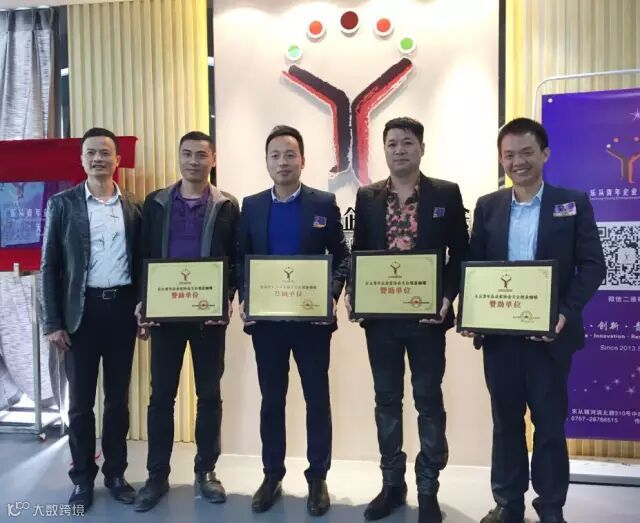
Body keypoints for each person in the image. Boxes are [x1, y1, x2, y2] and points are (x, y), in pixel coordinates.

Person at [462, 118, 605, 523]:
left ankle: (551, 507)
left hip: (550, 338)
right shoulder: (488, 206)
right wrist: (471, 310)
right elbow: (475, 264)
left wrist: (564, 312)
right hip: (500, 339)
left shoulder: (572, 202)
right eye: (509, 155)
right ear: (501, 159)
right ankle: (508, 504)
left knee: (549, 425)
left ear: (545, 153)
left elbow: (593, 265)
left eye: (526, 152)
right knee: (505, 424)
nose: (518, 162)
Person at [346, 117, 469, 523]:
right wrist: (354, 293)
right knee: (386, 401)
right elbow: (360, 253)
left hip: (427, 320)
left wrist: (447, 297)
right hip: (381, 321)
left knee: (428, 401)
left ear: (421, 148)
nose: (399, 150)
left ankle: (428, 488)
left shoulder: (445, 193)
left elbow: (461, 253)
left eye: (408, 143)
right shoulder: (367, 197)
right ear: (383, 150)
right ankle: (392, 486)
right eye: (392, 144)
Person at [238, 125, 350, 517]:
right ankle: (272, 475)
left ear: (303, 160)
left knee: (317, 399)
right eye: (275, 155)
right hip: (267, 325)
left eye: (290, 155)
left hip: (311, 324)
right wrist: (245, 296)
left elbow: (342, 257)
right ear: (266, 161)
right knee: (272, 400)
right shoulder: (251, 206)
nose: (283, 162)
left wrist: (330, 295)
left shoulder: (324, 203)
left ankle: (318, 477)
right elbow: (242, 259)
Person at [133, 131, 240, 512]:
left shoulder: (227, 205)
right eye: (187, 154)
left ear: (213, 159)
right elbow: (142, 255)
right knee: (161, 396)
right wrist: (144, 302)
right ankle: (156, 476)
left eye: (201, 155)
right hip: (166, 314)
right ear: (178, 157)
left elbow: (235, 258)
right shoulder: (156, 202)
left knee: (209, 395)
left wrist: (227, 297)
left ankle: (206, 471)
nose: (193, 161)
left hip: (208, 317)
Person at [41, 127, 142, 511]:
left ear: (118, 160)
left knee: (117, 401)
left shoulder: (133, 207)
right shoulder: (63, 204)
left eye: (105, 152)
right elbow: (50, 266)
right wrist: (53, 322)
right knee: (81, 404)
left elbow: (142, 263)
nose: (98, 158)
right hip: (80, 315)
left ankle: (115, 474)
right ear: (82, 160)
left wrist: (144, 308)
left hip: (121, 313)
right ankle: (82, 478)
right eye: (91, 153)